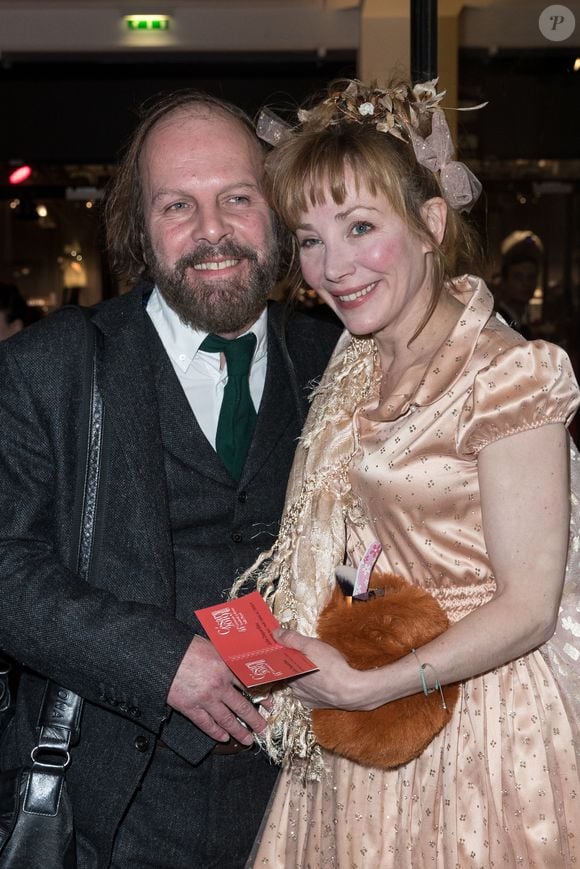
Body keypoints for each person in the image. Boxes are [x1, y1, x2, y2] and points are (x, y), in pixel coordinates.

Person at [234, 79, 580, 866]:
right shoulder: (358, 367)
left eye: (360, 227)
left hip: (483, 727)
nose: (333, 267)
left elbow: (529, 606)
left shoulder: (506, 373)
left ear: (430, 225)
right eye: (311, 238)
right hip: (375, 705)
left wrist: (371, 687)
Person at [0, 91, 340, 867]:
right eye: (177, 204)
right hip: (109, 806)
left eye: (237, 198)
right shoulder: (45, 369)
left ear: (278, 212)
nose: (212, 231)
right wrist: (161, 662)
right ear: (140, 229)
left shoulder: (337, 358)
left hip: (305, 799)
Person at [493, 230, 544, 337]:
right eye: (518, 277)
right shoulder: (500, 323)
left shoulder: (519, 324)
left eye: (531, 277)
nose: (526, 284)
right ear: (504, 281)